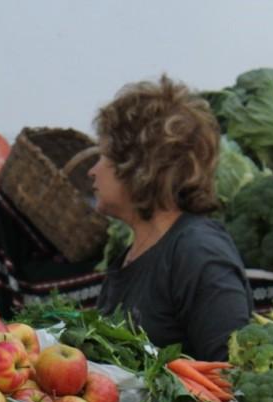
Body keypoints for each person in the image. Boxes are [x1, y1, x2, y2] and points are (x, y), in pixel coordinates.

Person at [91, 75, 252, 361]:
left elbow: (230, 371)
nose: (93, 171)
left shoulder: (198, 252)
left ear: (139, 167)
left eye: (103, 156)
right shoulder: (133, 252)